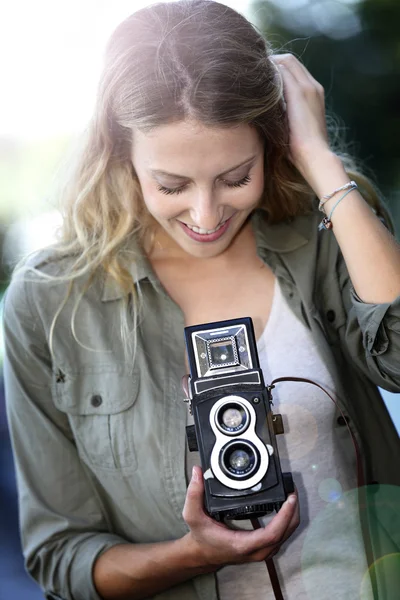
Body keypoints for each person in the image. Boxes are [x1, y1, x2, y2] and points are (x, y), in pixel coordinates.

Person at [3, 1, 400, 599]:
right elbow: (60, 556)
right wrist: (189, 556)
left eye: (237, 176)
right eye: (172, 185)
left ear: (272, 143)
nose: (207, 215)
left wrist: (320, 163)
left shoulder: (327, 235)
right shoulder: (49, 302)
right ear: (120, 156)